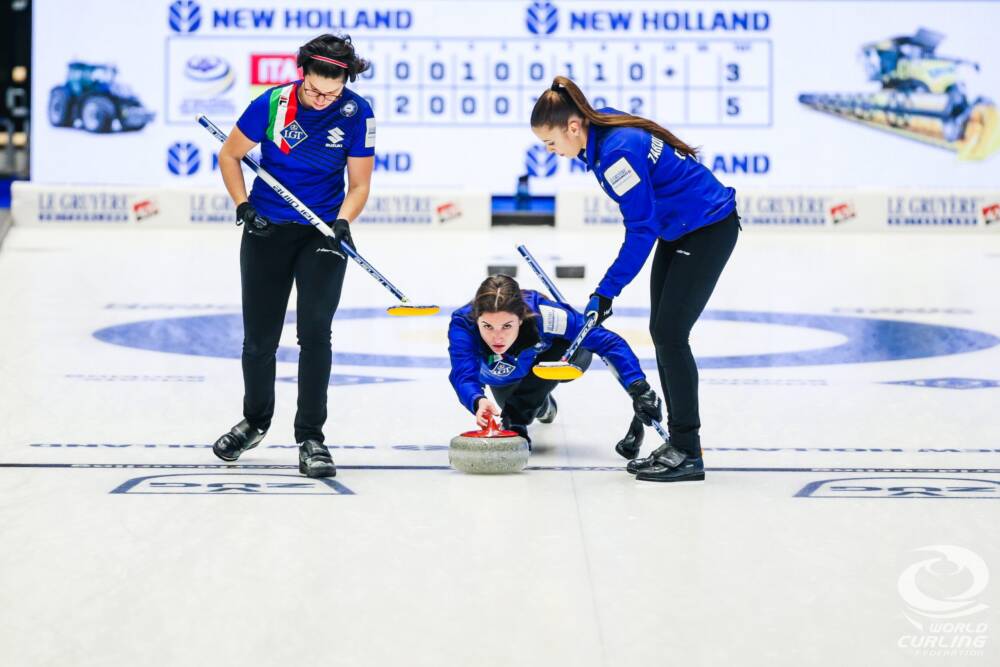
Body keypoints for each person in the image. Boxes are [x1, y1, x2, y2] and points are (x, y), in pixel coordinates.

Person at [530, 76, 740, 482]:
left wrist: (605, 291)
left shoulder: (616, 154)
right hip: (682, 228)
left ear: (573, 127)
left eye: (551, 142)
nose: (552, 152)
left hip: (707, 227)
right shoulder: (601, 127)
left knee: (670, 333)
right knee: (663, 331)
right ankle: (682, 444)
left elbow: (640, 230)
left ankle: (687, 450)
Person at [211, 34, 376, 478]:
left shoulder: (357, 112)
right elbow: (230, 155)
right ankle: (255, 421)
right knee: (259, 339)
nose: (321, 100)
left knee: (315, 334)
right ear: (302, 74)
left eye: (331, 93)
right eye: (314, 91)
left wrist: (343, 222)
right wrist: (243, 206)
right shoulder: (272, 104)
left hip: (322, 234)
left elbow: (359, 185)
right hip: (267, 228)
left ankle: (311, 437)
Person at [448, 274, 662, 452]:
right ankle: (543, 406)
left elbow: (607, 341)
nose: (497, 337)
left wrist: (638, 387)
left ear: (521, 319)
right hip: (502, 375)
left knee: (515, 413)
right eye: (487, 327)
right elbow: (463, 374)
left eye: (507, 326)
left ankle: (528, 405)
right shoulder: (462, 325)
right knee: (516, 405)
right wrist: (477, 400)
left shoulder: (546, 315)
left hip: (557, 360)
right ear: (476, 319)